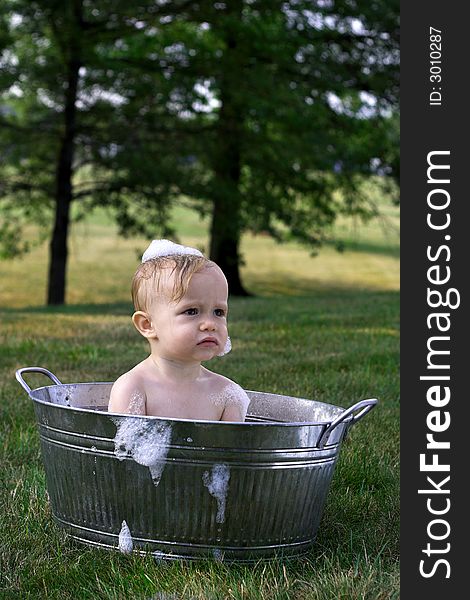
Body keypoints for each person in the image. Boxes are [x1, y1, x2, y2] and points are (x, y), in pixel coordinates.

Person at [108, 239, 250, 422]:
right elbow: (124, 449)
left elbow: (234, 449)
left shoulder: (227, 394)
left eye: (218, 312)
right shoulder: (134, 388)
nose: (210, 324)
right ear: (147, 325)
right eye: (191, 311)